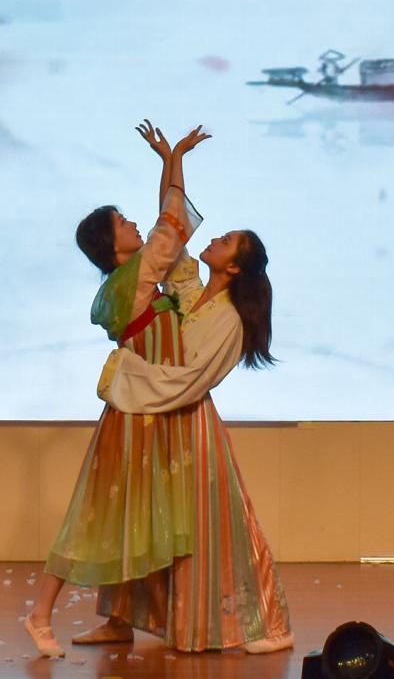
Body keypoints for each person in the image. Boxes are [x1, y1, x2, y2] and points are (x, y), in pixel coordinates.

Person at [24, 121, 210, 658]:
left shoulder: (135, 278)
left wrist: (170, 161)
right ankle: (39, 613)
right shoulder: (133, 281)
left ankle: (120, 618)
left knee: (135, 517)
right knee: (95, 517)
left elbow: (167, 225)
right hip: (134, 419)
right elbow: (170, 223)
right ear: (112, 245)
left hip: (149, 413)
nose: (134, 224)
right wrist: (173, 161)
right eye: (123, 223)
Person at [93, 225, 294, 653]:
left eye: (226, 242)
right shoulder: (191, 292)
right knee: (143, 518)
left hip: (190, 427)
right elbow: (170, 229)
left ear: (234, 267)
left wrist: (125, 374)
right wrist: (173, 174)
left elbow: (189, 380)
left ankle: (263, 624)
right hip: (161, 420)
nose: (216, 239)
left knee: (207, 527)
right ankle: (121, 618)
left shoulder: (229, 320)